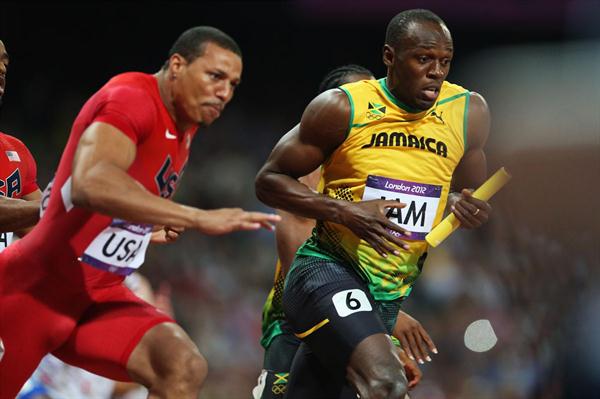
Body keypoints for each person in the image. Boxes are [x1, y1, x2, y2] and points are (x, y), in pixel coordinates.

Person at [0, 27, 280, 399]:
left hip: (94, 297)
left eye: (233, 84)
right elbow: (89, 184)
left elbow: (76, 213)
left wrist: (139, 228)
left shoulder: (185, 127)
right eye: (215, 76)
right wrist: (195, 216)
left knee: (180, 364)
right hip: (33, 292)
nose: (224, 92)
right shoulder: (130, 97)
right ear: (177, 66)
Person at [255, 9, 492, 398]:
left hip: (386, 294)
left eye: (444, 62)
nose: (436, 72)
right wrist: (346, 212)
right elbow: (268, 181)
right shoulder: (342, 108)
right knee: (387, 384)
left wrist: (469, 209)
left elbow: (467, 194)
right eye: (423, 59)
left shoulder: (469, 113)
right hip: (324, 274)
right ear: (389, 57)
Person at [255, 65, 435, 399]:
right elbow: (299, 258)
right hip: (298, 324)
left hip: (358, 312)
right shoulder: (307, 166)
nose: (371, 107)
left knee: (387, 388)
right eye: (358, 98)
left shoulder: (375, 168)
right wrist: (389, 321)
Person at [0, 40, 42, 244]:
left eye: (5, 64)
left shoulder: (15, 150)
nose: (1, 69)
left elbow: (43, 232)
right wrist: (60, 204)